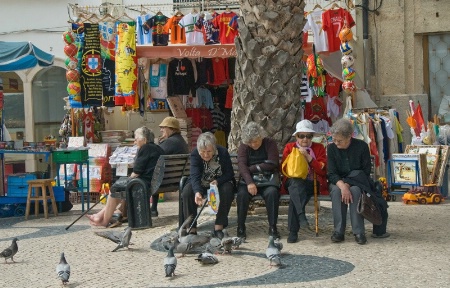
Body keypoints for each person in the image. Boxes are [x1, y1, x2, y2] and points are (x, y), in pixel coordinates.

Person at [327, 118, 389, 245]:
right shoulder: (332, 148)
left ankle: (359, 232)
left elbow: (365, 171)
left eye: (340, 141)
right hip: (338, 182)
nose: (336, 143)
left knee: (355, 192)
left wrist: (348, 185)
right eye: (334, 140)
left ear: (349, 136)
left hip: (357, 181)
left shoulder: (361, 146)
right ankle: (338, 231)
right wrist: (343, 186)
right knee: (336, 192)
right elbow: (331, 173)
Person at [87, 127, 164, 227]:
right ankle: (99, 215)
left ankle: (104, 221)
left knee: (115, 188)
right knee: (119, 188)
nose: (134, 142)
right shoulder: (158, 148)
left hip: (144, 183)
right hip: (154, 183)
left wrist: (129, 178)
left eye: (136, 139)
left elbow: (137, 171)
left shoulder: (145, 148)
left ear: (144, 140)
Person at [181, 132, 234, 239]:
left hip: (219, 183)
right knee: (187, 191)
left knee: (228, 189)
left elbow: (229, 174)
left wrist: (218, 181)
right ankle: (191, 229)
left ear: (214, 148)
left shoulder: (222, 152)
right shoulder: (195, 153)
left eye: (209, 151)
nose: (205, 155)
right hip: (200, 182)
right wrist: (197, 192)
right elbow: (194, 175)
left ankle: (219, 226)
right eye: (203, 152)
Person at [282, 120, 327, 243]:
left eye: (309, 136)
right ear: (296, 136)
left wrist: (309, 158)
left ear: (312, 137)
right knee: (296, 186)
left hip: (312, 183)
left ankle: (293, 231)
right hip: (293, 181)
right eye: (301, 136)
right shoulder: (289, 148)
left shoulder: (319, 148)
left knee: (295, 195)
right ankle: (301, 216)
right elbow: (285, 169)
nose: (305, 139)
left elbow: (323, 171)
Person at [236, 122, 280, 239]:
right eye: (250, 142)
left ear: (261, 136)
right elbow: (241, 166)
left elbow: (273, 163)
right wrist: (250, 182)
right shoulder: (244, 147)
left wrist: (252, 168)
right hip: (248, 180)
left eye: (256, 141)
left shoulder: (269, 143)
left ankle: (273, 227)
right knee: (242, 195)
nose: (253, 144)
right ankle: (240, 226)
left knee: (272, 193)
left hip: (267, 180)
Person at [151, 116, 189, 217]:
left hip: (165, 180)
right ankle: (153, 208)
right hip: (175, 179)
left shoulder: (171, 142)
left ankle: (152, 209)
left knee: (147, 174)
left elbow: (154, 154)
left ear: (171, 129)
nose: (161, 130)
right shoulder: (180, 141)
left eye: (163, 127)